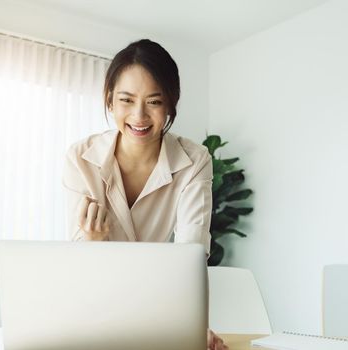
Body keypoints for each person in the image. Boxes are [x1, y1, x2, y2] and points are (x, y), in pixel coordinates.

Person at [62, 39, 228, 350]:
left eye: (154, 101)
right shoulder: (80, 157)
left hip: (157, 313)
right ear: (110, 101)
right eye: (126, 100)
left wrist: (192, 327)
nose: (139, 116)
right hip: (91, 309)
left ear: (170, 105)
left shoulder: (194, 160)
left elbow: (190, 254)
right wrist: (93, 241)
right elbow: (78, 261)